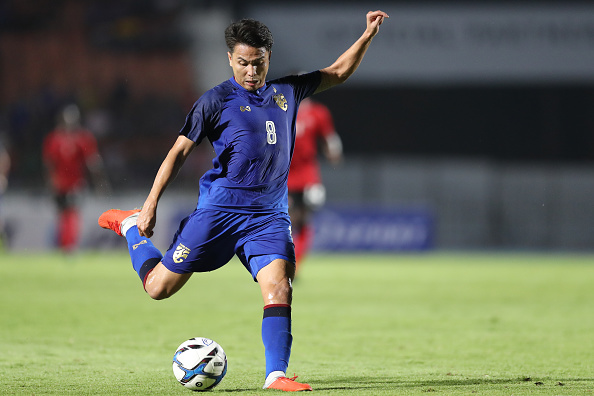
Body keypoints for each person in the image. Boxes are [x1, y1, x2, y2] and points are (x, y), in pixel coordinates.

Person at [98, 10, 388, 392]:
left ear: (269, 57)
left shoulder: (287, 92)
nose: (251, 71)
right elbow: (178, 153)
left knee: (280, 287)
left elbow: (336, 71)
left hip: (268, 216)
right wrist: (150, 204)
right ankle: (131, 228)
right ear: (230, 60)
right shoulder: (215, 100)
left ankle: (276, 375)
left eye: (258, 63)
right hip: (218, 213)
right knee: (158, 288)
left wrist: (367, 35)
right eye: (243, 63)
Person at [43, 103, 110, 252]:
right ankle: (65, 244)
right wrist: (51, 181)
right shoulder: (55, 139)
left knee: (72, 213)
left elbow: (92, 161)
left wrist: (99, 181)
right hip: (60, 183)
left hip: (76, 183)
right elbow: (50, 163)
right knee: (63, 214)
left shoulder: (82, 138)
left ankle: (69, 245)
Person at [288, 96, 342, 274]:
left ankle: (296, 263)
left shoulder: (318, 113)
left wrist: (334, 151)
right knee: (286, 219)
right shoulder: (280, 109)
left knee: (304, 220)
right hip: (285, 173)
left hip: (308, 175)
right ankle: (285, 261)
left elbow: (329, 136)